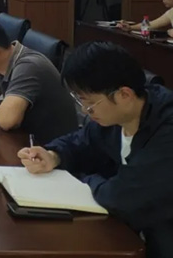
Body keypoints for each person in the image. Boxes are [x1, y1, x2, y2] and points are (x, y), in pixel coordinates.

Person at [18, 42, 173, 258]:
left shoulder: (166, 130)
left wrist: (84, 179)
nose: (84, 111)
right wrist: (53, 155)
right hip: (129, 230)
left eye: (90, 104)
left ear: (124, 95)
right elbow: (81, 141)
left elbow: (121, 197)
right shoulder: (116, 117)